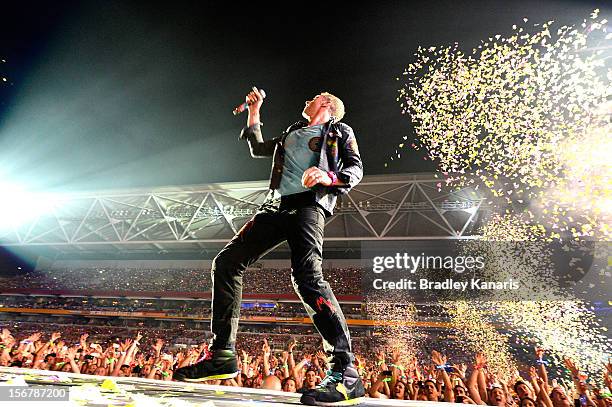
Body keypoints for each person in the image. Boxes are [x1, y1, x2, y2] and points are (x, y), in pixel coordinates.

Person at [174, 87, 364, 405]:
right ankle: (222, 354)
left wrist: (327, 176)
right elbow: (259, 148)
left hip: (309, 206)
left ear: (327, 104)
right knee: (227, 262)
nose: (307, 99)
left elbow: (355, 169)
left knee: (307, 279)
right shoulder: (292, 131)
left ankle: (346, 374)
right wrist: (255, 110)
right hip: (275, 207)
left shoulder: (338, 131)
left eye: (314, 97)